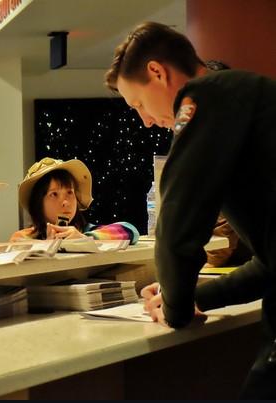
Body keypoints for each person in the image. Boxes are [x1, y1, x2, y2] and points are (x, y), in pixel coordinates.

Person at [105, 21, 276, 398]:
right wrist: (196, 297)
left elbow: (179, 221)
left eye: (138, 104)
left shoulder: (206, 96)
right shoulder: (245, 96)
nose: (145, 120)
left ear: (157, 72)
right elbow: (270, 262)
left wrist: (175, 307)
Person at [10, 157, 139, 244]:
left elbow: (130, 230)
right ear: (38, 203)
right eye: (54, 194)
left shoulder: (85, 230)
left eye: (70, 193)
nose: (65, 202)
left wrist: (85, 239)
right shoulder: (24, 237)